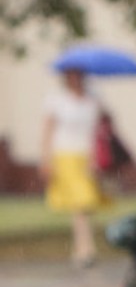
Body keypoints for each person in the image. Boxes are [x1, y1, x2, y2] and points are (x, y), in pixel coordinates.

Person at [39, 67, 111, 268]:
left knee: (87, 204)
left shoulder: (94, 98)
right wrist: (46, 160)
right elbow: (48, 131)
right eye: (72, 75)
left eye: (79, 75)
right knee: (80, 202)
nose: (76, 79)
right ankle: (85, 249)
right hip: (65, 155)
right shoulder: (56, 100)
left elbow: (102, 127)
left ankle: (81, 247)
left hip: (89, 157)